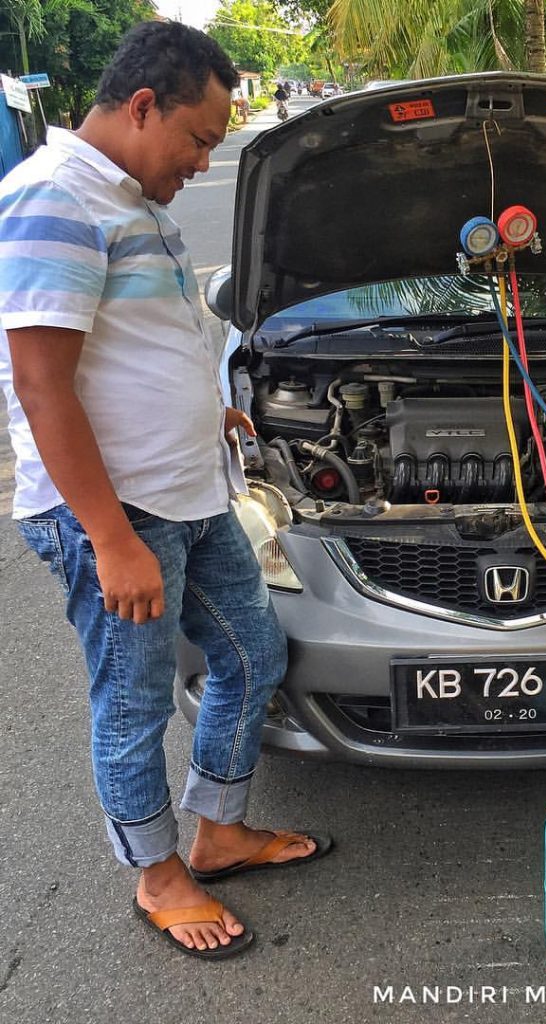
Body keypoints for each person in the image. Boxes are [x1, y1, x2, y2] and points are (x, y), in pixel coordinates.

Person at [0, 21, 332, 960]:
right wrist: (109, 540)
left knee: (253, 653)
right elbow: (41, 385)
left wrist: (209, 413)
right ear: (142, 106)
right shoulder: (53, 198)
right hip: (116, 515)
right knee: (133, 703)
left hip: (189, 494)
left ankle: (218, 831)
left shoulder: (133, 198)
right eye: (197, 139)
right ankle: (157, 874)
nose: (201, 160)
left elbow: (147, 344)